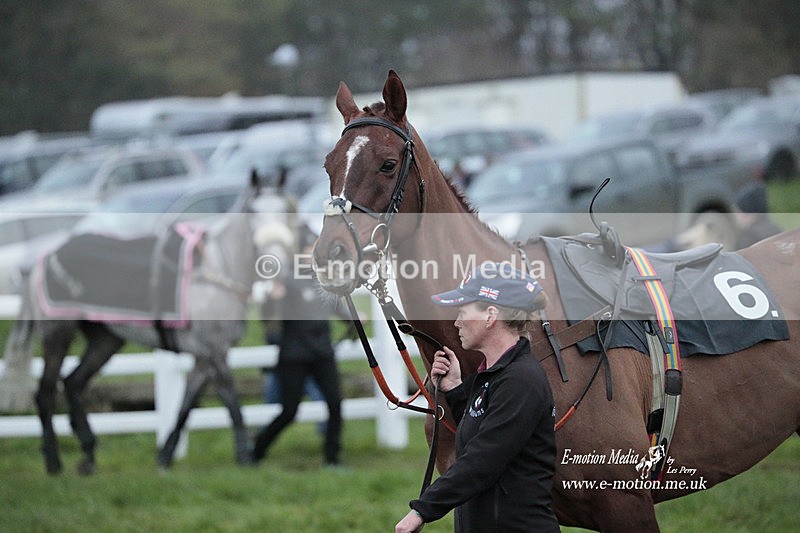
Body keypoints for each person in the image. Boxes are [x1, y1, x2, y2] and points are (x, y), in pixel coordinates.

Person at [396, 262, 560, 533]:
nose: (457, 321)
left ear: (490, 315)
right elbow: (481, 432)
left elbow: (483, 459)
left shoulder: (521, 381)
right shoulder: (494, 376)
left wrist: (422, 510)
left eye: (463, 311)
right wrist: (456, 390)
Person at [251, 225, 343, 467]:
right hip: (294, 356)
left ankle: (332, 459)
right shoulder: (287, 279)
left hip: (322, 352)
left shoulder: (324, 279)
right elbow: (267, 318)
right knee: (289, 411)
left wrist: (355, 319)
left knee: (335, 404)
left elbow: (336, 306)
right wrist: (272, 300)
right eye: (306, 249)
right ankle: (257, 450)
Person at [732, 181, 781, 249]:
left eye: (738, 212)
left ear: (751, 215)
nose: (736, 216)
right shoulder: (777, 230)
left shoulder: (748, 238)